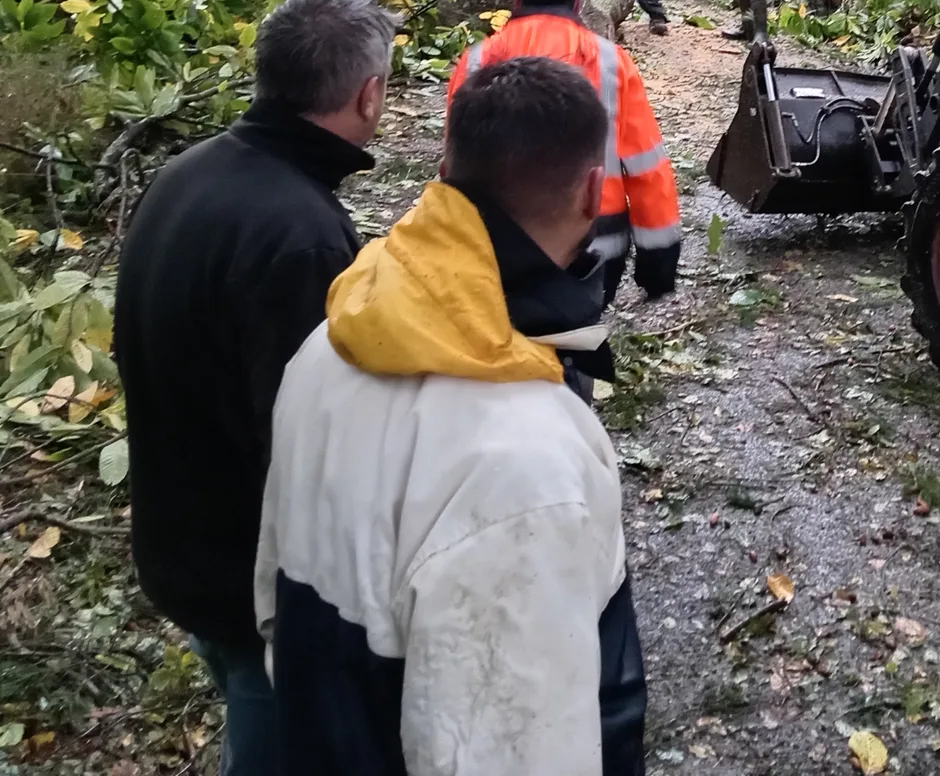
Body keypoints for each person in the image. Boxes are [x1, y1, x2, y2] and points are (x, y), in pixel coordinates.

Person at [256, 56, 647, 774]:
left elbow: (275, 585)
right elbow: (515, 749)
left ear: (446, 161)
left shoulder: (331, 338)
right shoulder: (530, 465)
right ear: (594, 191)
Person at [115, 0, 395, 776]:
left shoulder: (190, 172)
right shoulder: (296, 237)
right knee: (282, 743)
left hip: (181, 533)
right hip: (253, 575)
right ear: (367, 93)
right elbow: (313, 442)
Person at [448, 0, 681, 302]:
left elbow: (454, 161)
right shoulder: (611, 62)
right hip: (595, 243)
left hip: (493, 242)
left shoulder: (477, 60)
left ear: (516, 0)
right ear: (578, 4)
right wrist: (658, 257)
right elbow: (645, 165)